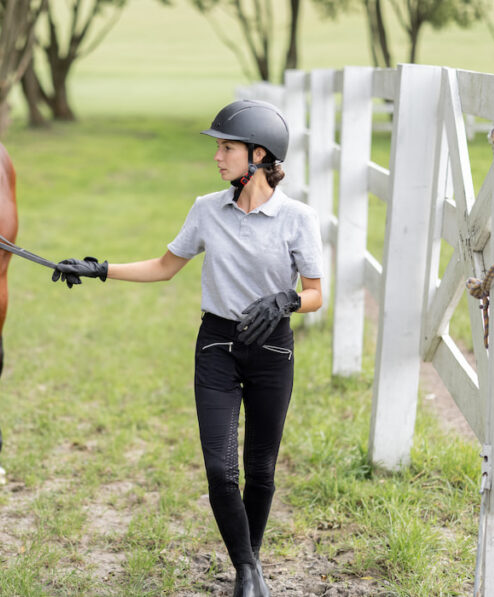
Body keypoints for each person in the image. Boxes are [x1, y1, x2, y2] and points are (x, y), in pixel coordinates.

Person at [52, 99, 324, 597]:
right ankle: (246, 571)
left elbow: (316, 295)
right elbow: (163, 266)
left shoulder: (297, 218)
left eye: (227, 148)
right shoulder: (206, 210)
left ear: (258, 155)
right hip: (217, 345)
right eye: (218, 147)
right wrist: (98, 269)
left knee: (261, 470)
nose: (218, 157)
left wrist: (287, 300)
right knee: (222, 469)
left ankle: (251, 560)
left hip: (272, 352)